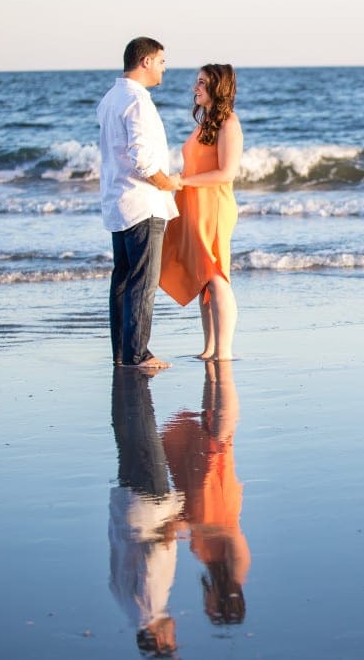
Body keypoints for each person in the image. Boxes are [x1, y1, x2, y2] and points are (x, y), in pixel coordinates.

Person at [98, 36, 181, 372]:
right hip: (142, 202)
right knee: (143, 281)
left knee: (123, 279)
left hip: (118, 201)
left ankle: (122, 352)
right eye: (161, 61)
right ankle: (138, 354)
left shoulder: (110, 98)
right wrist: (168, 182)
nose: (164, 68)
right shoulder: (137, 101)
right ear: (145, 61)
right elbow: (142, 158)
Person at [160, 64, 243, 361]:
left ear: (217, 87)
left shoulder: (229, 123)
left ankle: (224, 351)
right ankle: (209, 347)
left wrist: (183, 181)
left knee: (215, 273)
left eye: (202, 83)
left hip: (215, 206)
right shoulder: (205, 123)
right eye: (196, 82)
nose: (195, 88)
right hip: (194, 203)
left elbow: (226, 173)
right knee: (202, 277)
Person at [163, 360, 250, 625]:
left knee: (206, 432)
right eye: (209, 607)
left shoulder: (211, 567)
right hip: (218, 501)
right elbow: (230, 533)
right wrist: (192, 526)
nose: (205, 602)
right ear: (223, 602)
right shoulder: (237, 570)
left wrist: (182, 527)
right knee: (217, 438)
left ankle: (215, 373)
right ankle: (219, 372)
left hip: (198, 501)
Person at [108, 368, 184, 656]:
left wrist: (173, 530)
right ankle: (127, 376)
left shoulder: (150, 607)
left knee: (144, 427)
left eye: (174, 640)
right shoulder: (125, 605)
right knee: (129, 437)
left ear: (161, 641)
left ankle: (133, 373)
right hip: (127, 507)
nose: (175, 631)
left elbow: (153, 560)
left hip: (149, 508)